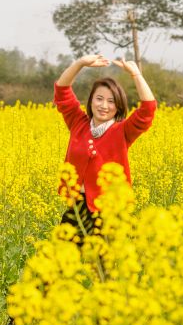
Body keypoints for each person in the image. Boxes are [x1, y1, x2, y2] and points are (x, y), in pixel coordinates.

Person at [53, 54, 156, 241]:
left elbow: (148, 109)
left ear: (119, 106)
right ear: (91, 101)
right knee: (60, 258)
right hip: (76, 210)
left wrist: (136, 74)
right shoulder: (78, 122)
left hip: (108, 215)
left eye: (111, 101)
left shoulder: (123, 131)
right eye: (99, 99)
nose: (104, 105)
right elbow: (62, 90)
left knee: (100, 260)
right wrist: (80, 63)